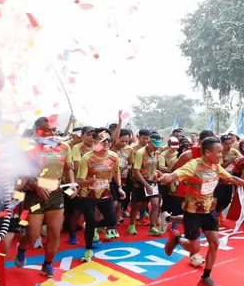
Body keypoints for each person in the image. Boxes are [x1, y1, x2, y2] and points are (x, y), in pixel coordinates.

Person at [160, 137, 244, 286]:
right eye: (219, 152)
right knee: (194, 248)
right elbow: (174, 175)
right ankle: (176, 238)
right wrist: (164, 177)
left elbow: (231, 178)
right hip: (193, 212)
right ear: (208, 152)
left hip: (209, 211)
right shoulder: (193, 166)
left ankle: (205, 278)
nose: (221, 155)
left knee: (214, 243)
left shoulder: (216, 166)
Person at [14, 118, 74, 277]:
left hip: (56, 195)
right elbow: (21, 175)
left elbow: (68, 169)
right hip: (34, 197)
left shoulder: (64, 147)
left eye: (55, 130)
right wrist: (35, 185)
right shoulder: (28, 148)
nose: (53, 133)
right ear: (37, 132)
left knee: (55, 232)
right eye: (48, 130)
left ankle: (47, 264)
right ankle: (22, 246)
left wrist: (72, 185)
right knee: (33, 234)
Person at [76, 130, 123, 262]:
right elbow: (79, 181)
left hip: (105, 194)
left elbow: (116, 171)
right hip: (88, 196)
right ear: (95, 142)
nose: (107, 142)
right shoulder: (87, 158)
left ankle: (91, 226)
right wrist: (90, 182)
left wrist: (119, 187)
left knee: (112, 222)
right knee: (91, 222)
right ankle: (88, 249)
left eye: (108, 140)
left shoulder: (113, 156)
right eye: (103, 140)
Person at [130, 133, 163, 236]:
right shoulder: (140, 153)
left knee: (156, 204)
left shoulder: (157, 153)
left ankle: (152, 227)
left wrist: (157, 173)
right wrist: (146, 185)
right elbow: (136, 170)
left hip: (152, 181)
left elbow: (154, 167)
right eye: (154, 145)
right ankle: (131, 224)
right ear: (149, 142)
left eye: (158, 145)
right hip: (140, 182)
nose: (156, 148)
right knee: (139, 205)